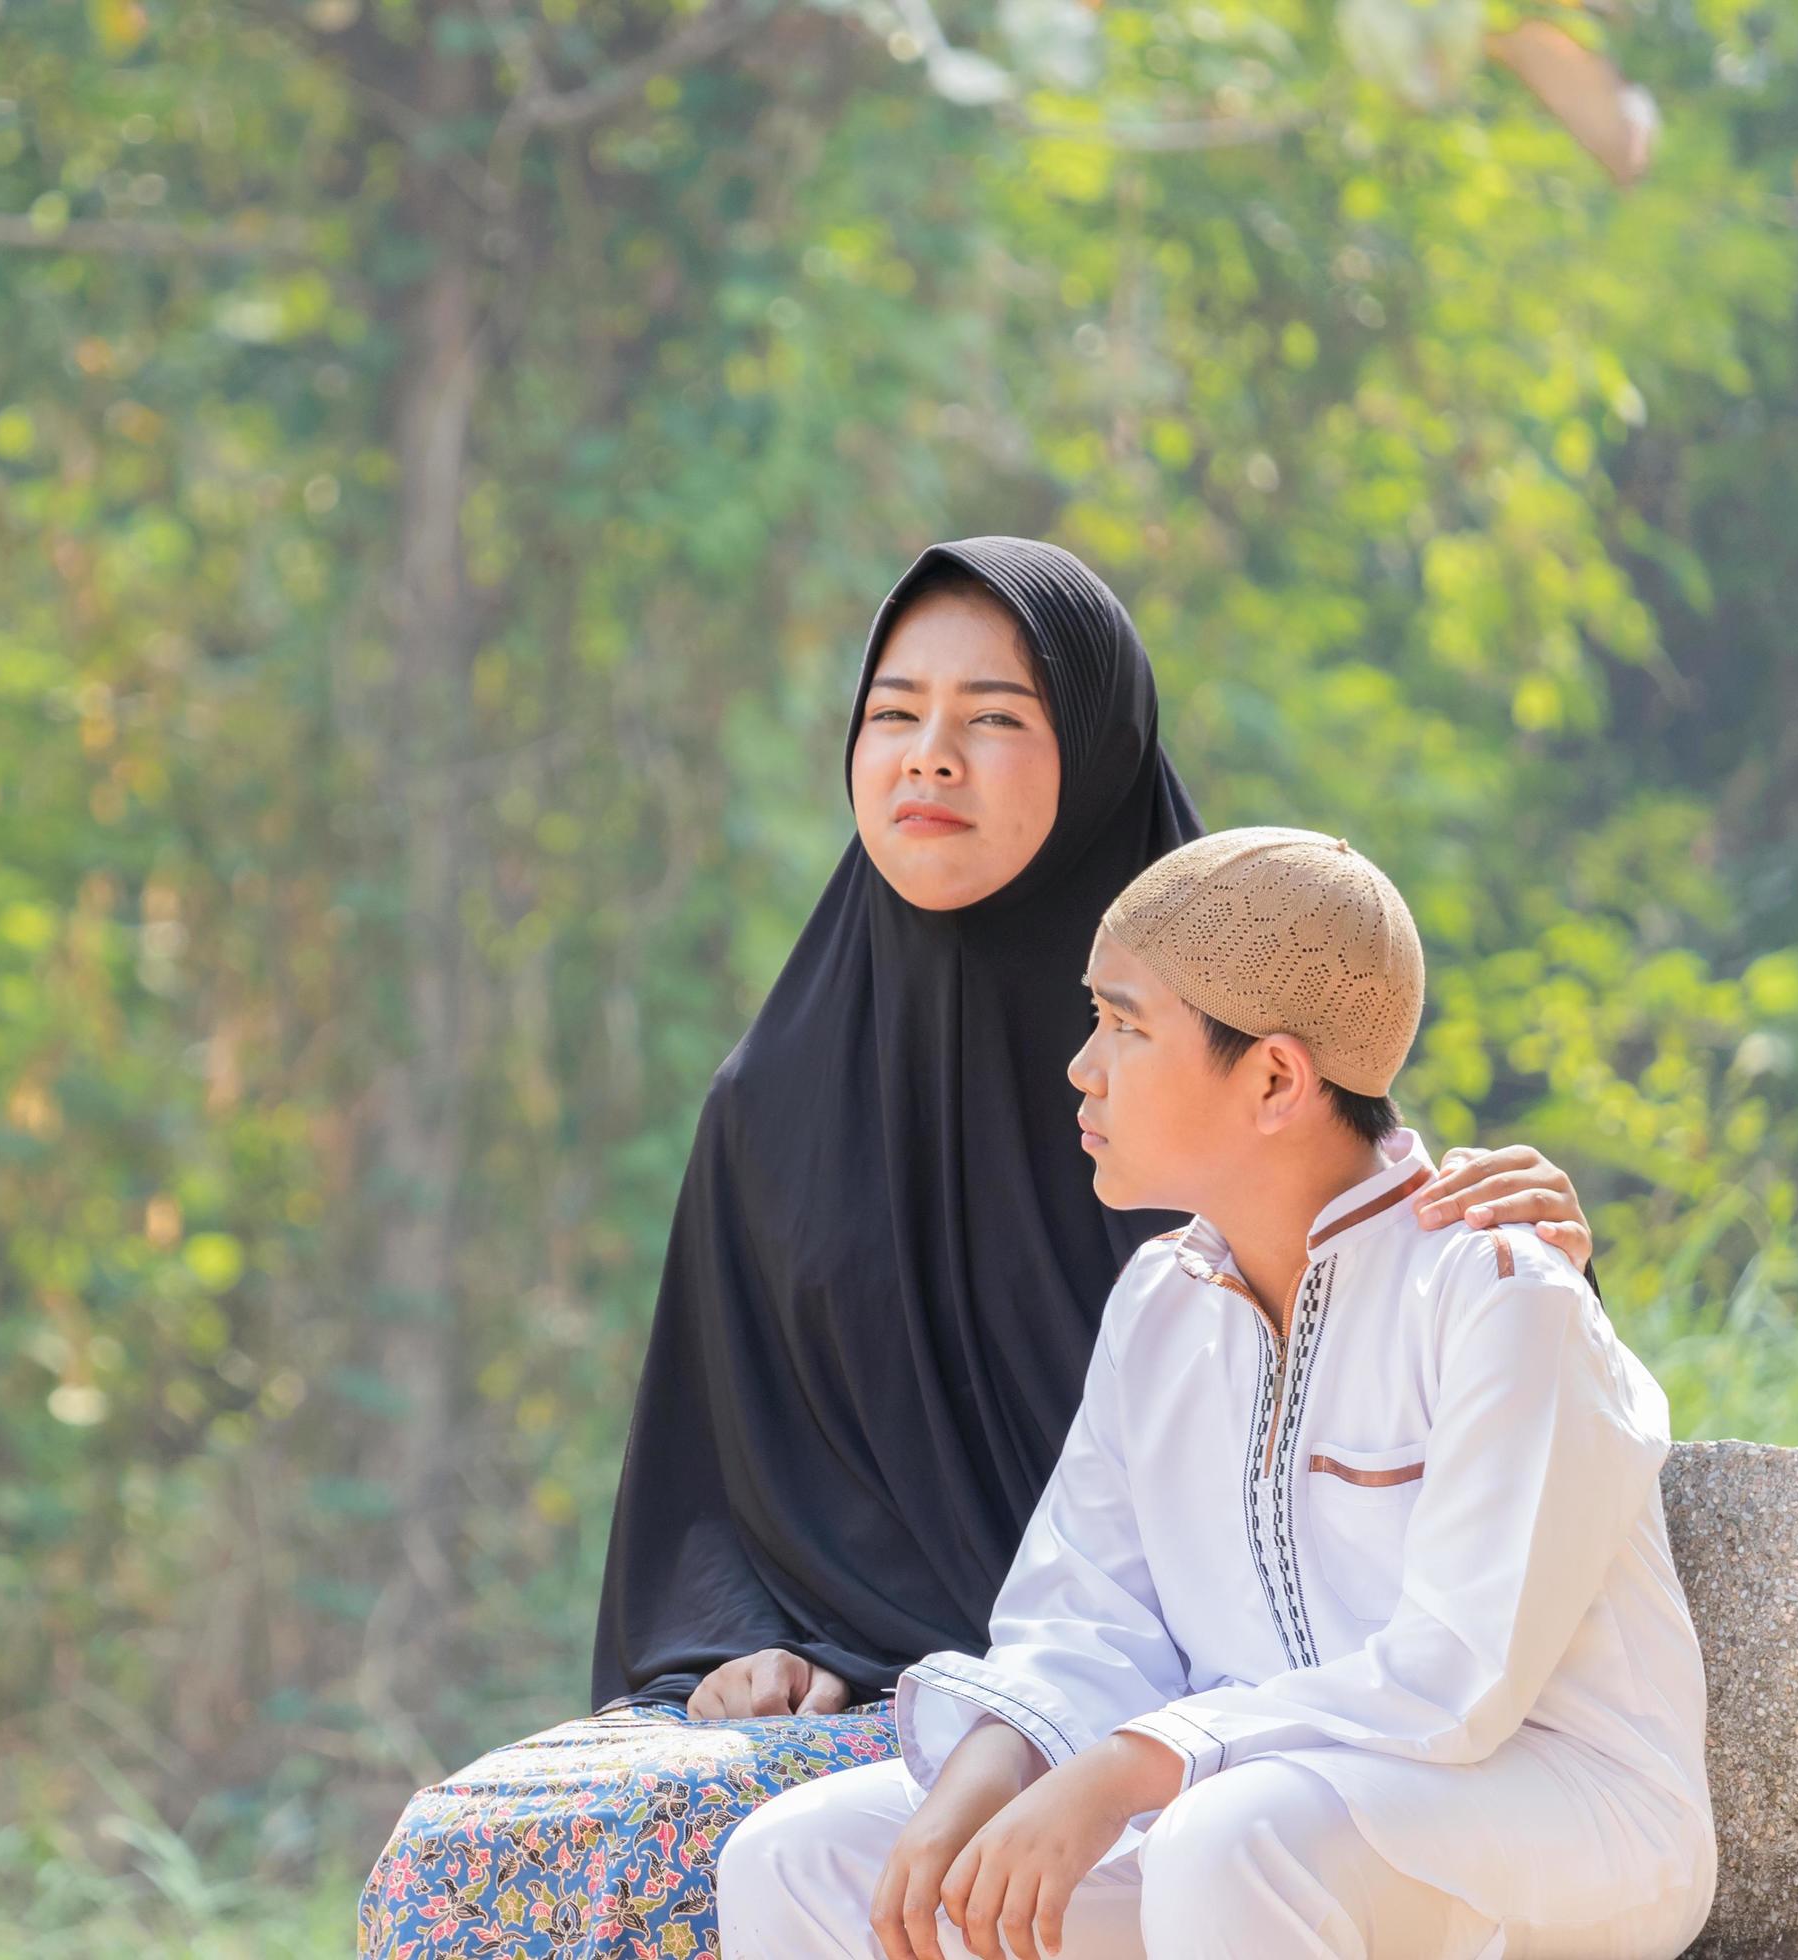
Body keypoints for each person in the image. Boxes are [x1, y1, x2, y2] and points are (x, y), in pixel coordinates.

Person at [359, 543, 1602, 1960]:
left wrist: (1539, 1244)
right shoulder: (771, 1102)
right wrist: (739, 1644)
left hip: (1227, 1732)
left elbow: (1417, 1375)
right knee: (483, 1850)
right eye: (891, 713)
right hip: (941, 1696)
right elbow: (718, 1471)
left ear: (1095, 747)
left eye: (994, 718)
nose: (927, 759)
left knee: (676, 1860)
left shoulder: (1232, 1065)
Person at [717, 827, 1715, 1960]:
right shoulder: (1159, 1302)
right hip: (1240, 1800)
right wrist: (983, 1773)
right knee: (805, 1859)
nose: (1081, 1066)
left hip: (1560, 1812)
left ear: (1277, 1077)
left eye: (1125, 1025)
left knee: (1226, 1840)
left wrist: (1132, 1764)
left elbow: (1454, 1676)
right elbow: (1083, 1616)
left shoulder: (1494, 1290)